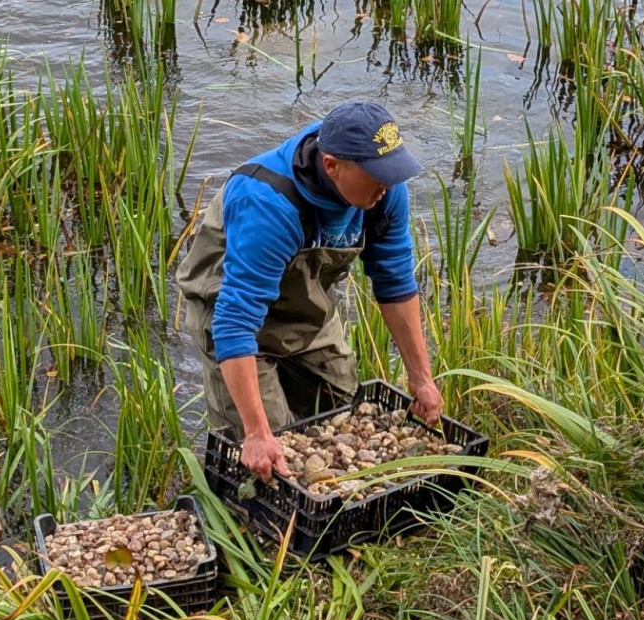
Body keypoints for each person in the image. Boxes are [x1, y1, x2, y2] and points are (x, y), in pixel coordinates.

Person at [176, 101, 444, 483]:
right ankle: (250, 523)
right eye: (376, 175)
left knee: (343, 411)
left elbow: (395, 281)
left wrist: (421, 377)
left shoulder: (384, 191)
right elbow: (235, 322)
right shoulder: (269, 203)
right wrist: (256, 434)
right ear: (332, 165)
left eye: (391, 172)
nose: (387, 185)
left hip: (305, 311)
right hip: (231, 312)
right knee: (271, 458)